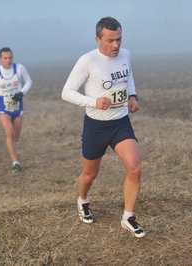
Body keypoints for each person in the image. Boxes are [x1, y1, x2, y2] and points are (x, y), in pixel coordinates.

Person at [61, 17, 145, 238]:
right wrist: (94, 101)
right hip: (96, 126)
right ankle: (83, 200)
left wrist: (132, 96)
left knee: (135, 168)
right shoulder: (87, 60)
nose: (115, 45)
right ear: (98, 39)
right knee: (89, 176)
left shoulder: (125, 55)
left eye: (118, 39)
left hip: (120, 123)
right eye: (110, 40)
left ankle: (128, 217)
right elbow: (66, 92)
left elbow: (128, 76)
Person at [0, 47, 32, 173]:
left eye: (10, 57)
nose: (8, 60)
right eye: (5, 58)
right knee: (9, 132)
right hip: (2, 104)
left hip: (17, 104)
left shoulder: (19, 68)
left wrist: (21, 93)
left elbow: (29, 82)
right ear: (0, 59)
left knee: (16, 136)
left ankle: (13, 145)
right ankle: (15, 162)